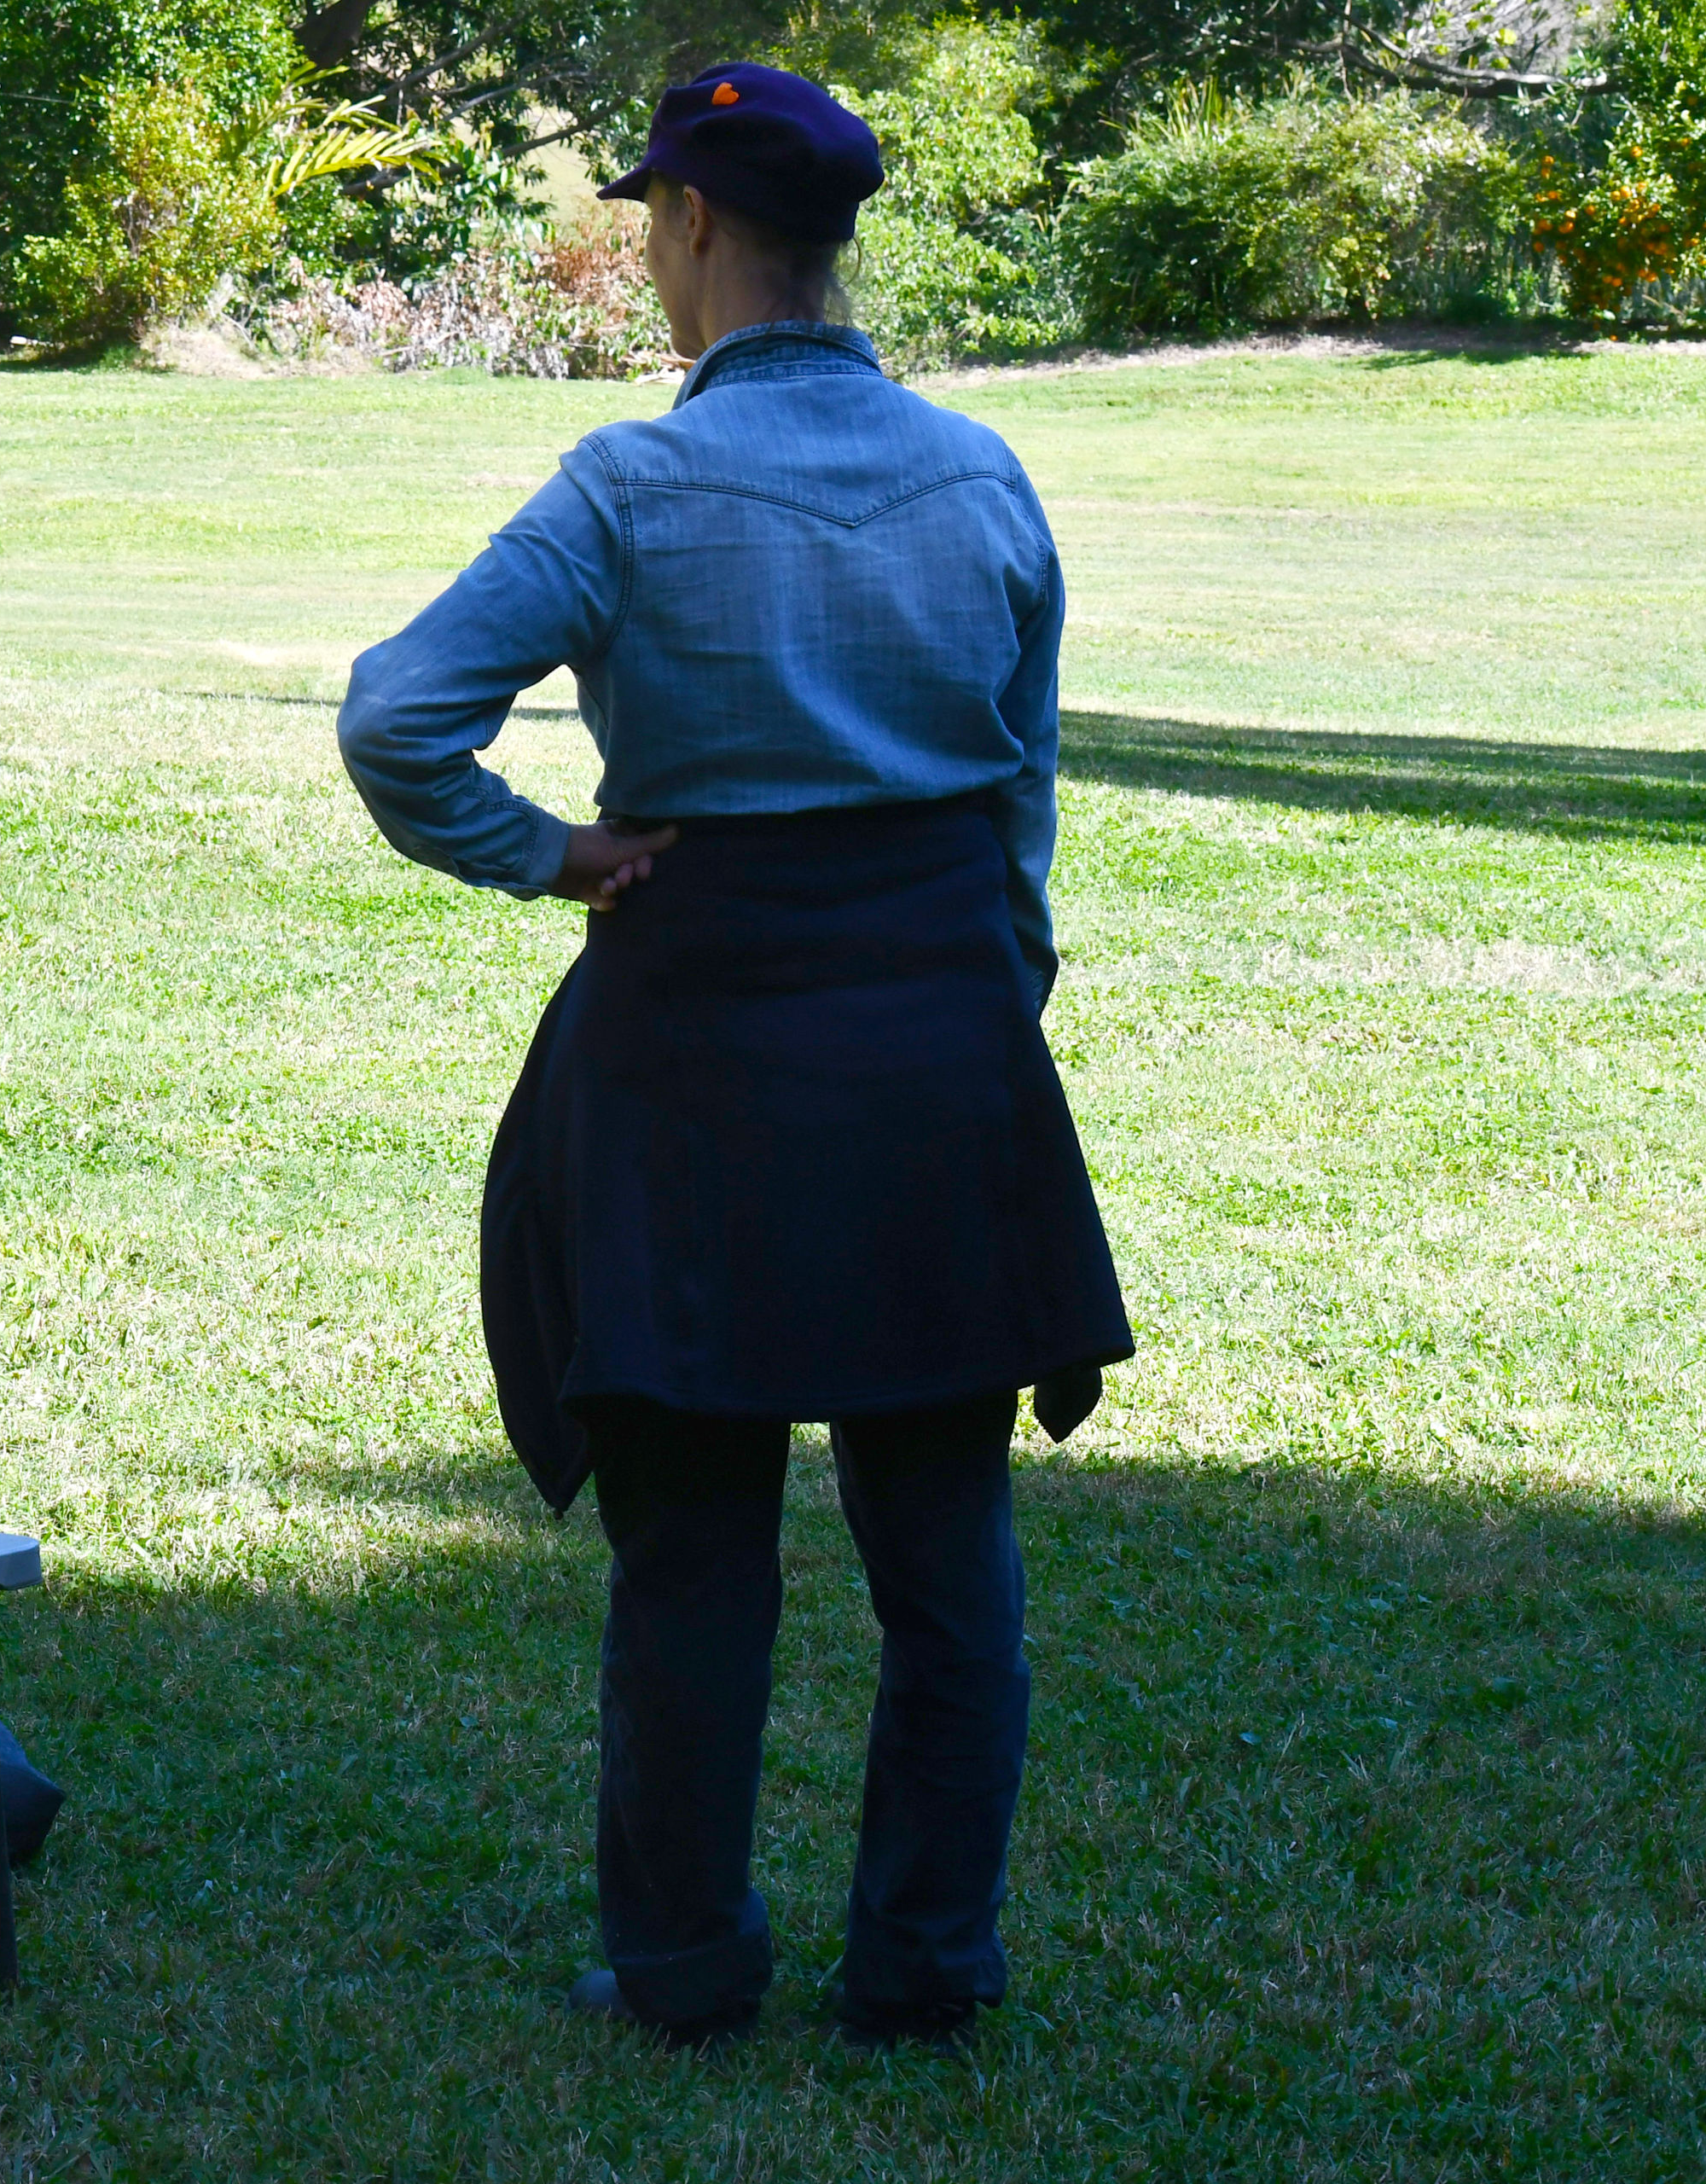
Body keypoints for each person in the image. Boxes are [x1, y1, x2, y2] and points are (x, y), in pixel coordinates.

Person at [334, 65, 1133, 2050]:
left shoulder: (630, 486)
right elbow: (1022, 802)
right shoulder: (984, 476)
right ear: (831, 238)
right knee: (948, 1555)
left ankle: (683, 1964)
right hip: (941, 1059)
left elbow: (396, 716)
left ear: (689, 226)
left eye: (646, 224)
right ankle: (927, 1965)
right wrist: (973, 991)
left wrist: (553, 854)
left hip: (699, 1069)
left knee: (696, 1552)